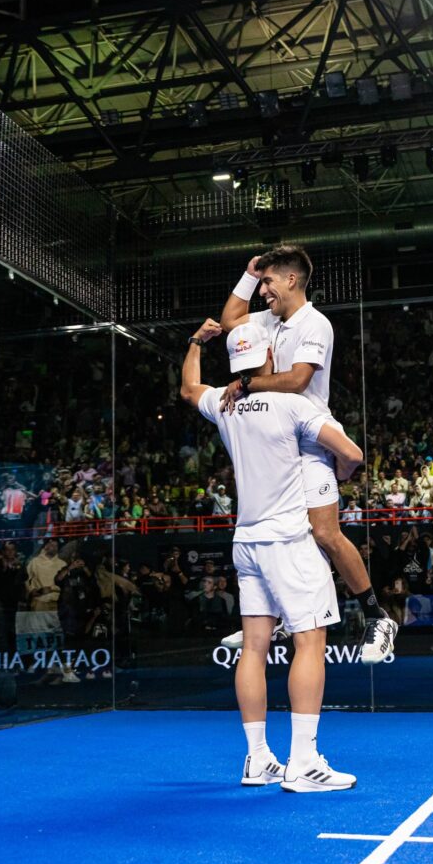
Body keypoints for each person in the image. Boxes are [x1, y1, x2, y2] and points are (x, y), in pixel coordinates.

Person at [181, 317, 375, 792]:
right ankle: (305, 763)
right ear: (268, 359)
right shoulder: (291, 404)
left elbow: (188, 389)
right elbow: (352, 455)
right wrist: (344, 472)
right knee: (310, 643)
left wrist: (194, 342)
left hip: (246, 542)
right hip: (288, 540)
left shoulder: (224, 405)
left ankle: (258, 760)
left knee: (253, 647)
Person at [218, 244, 394, 661]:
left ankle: (377, 617)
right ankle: (274, 617)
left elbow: (298, 380)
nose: (263, 293)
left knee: (324, 533)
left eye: (268, 282)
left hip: (312, 440)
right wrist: (248, 274)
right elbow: (229, 323)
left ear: (291, 280)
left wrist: (245, 385)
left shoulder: (315, 323)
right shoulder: (268, 319)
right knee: (280, 536)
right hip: (275, 441)